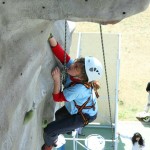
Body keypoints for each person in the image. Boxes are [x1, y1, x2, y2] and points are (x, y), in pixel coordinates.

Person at [41, 34, 103, 150]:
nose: (72, 66)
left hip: (84, 116)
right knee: (59, 115)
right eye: (76, 64)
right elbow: (62, 55)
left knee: (49, 130)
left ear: (81, 77)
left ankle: (49, 145)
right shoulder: (76, 71)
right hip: (85, 108)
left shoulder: (78, 89)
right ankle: (68, 129)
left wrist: (57, 80)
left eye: (76, 68)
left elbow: (57, 98)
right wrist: (50, 37)